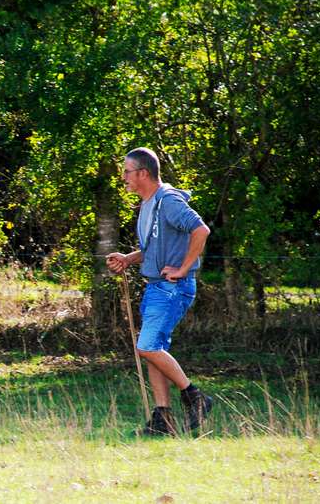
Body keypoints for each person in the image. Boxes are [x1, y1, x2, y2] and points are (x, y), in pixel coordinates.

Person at [106, 147, 213, 436]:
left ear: (143, 173)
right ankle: (163, 420)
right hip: (157, 287)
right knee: (154, 350)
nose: (123, 177)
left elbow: (200, 230)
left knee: (148, 347)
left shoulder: (168, 200)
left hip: (171, 288)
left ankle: (194, 396)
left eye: (127, 172)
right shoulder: (149, 204)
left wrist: (182, 268)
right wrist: (129, 259)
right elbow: (155, 247)